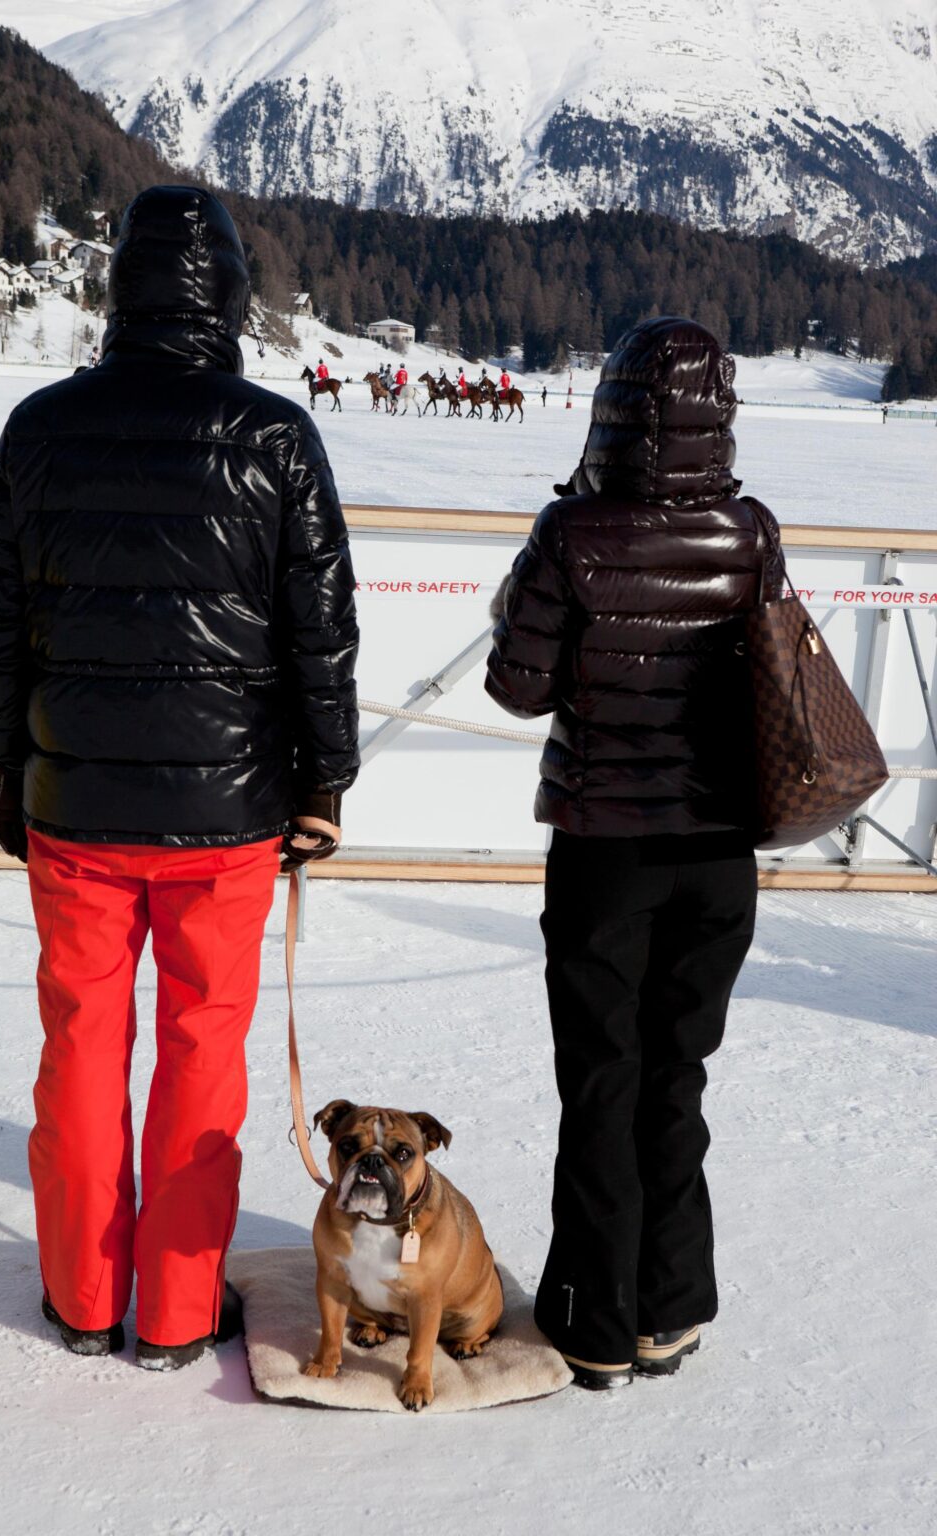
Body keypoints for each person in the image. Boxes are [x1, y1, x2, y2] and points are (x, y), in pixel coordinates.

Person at [0, 185, 360, 1370]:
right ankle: (179, 1315)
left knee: (82, 1048)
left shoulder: (39, 428)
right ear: (228, 297)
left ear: (117, 293)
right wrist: (324, 784)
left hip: (76, 804)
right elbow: (321, 633)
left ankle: (83, 1300)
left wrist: (13, 771)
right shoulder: (274, 435)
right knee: (202, 1053)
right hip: (227, 814)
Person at [486, 316, 782, 1392]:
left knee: (602, 1079)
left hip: (606, 847)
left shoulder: (572, 531)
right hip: (720, 850)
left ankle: (592, 1322)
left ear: (611, 409)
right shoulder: (750, 530)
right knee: (677, 1076)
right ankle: (671, 1308)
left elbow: (517, 689)